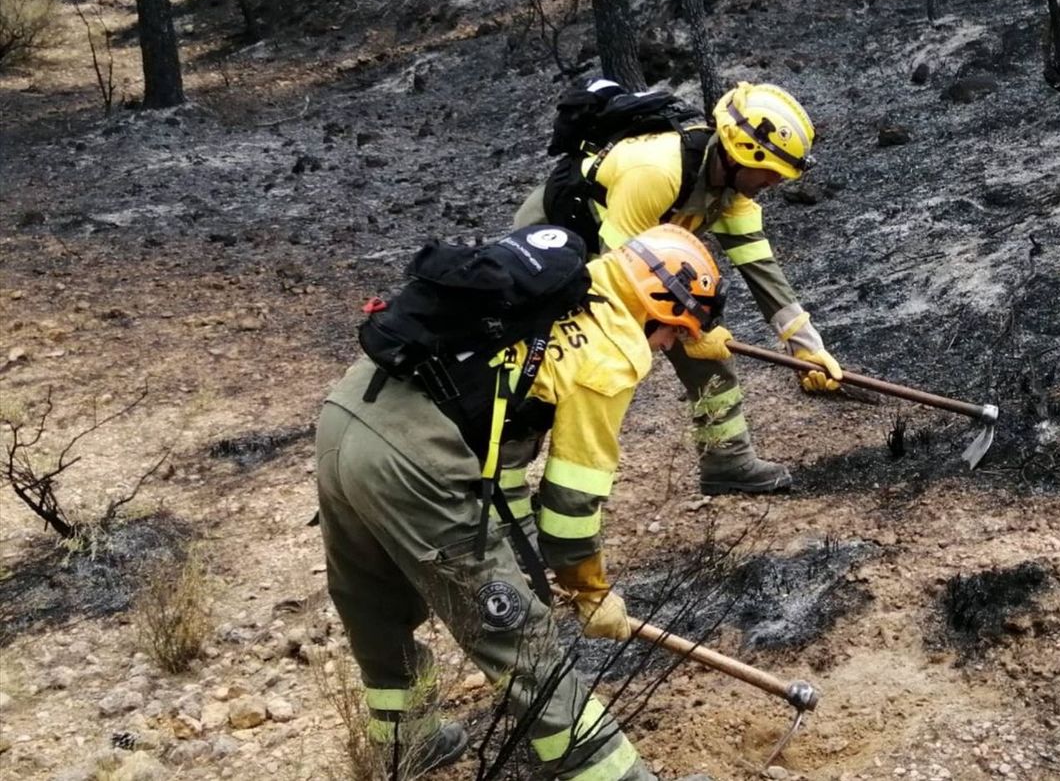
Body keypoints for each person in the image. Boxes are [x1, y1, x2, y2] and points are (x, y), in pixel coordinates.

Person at [315, 224, 730, 779]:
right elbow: (571, 502)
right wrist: (588, 588)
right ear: (657, 310)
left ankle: (408, 740)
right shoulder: (616, 350)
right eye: (675, 333)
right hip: (411, 463)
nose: (669, 347)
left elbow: (498, 444)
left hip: (345, 417)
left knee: (374, 599)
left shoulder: (569, 289)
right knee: (519, 639)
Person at [514, 81, 843, 495]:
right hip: (560, 238)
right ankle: (511, 484)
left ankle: (728, 461)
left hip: (635, 252)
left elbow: (763, 272)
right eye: (774, 171)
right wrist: (694, 331)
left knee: (705, 339)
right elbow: (619, 285)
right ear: (746, 153)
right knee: (567, 358)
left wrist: (806, 345)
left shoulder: (730, 191)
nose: (776, 182)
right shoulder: (655, 173)